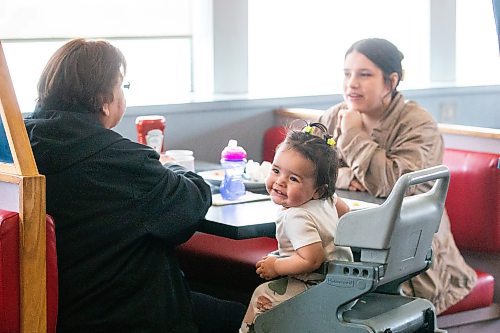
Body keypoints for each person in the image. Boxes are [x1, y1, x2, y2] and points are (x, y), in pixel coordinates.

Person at [24, 38, 245, 333]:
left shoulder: (20, 147)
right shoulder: (120, 160)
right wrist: (172, 166)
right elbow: (189, 206)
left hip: (56, 312)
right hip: (130, 313)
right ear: (104, 99)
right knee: (250, 315)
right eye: (121, 86)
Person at [318, 37, 477, 314]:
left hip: (412, 253)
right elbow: (307, 171)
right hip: (348, 240)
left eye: (364, 75)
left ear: (391, 82)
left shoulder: (418, 123)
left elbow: (393, 185)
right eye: (347, 74)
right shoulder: (334, 116)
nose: (351, 83)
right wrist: (347, 179)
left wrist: (354, 135)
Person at [240, 122, 352, 332]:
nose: (280, 182)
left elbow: (312, 260)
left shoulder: (296, 216)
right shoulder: (326, 198)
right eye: (275, 170)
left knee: (262, 295)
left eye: (293, 178)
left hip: (319, 287)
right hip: (346, 281)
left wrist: (276, 266)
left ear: (318, 190)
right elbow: (345, 212)